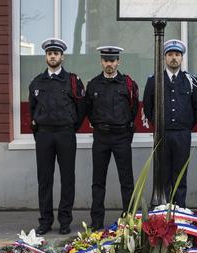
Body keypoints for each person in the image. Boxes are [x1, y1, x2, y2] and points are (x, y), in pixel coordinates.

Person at [28, 38, 86, 235]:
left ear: (62, 56)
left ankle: (64, 220)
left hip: (65, 134)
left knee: (67, 178)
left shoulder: (72, 81)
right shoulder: (37, 82)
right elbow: (32, 110)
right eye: (49, 53)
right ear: (46, 56)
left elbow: (81, 108)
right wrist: (40, 130)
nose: (53, 56)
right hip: (44, 135)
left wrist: (70, 126)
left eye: (56, 53)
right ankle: (45, 220)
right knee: (44, 179)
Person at [142, 39, 197, 208]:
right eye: (170, 54)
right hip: (162, 134)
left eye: (177, 54)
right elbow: (148, 107)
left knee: (180, 174)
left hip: (182, 134)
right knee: (162, 175)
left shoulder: (191, 81)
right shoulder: (154, 80)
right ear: (165, 58)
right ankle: (163, 211)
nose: (174, 58)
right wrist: (159, 125)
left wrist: (186, 124)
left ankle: (180, 210)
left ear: (182, 58)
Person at [85, 46, 139, 230]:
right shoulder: (93, 84)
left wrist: (124, 128)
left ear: (118, 61)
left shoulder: (128, 84)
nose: (109, 64)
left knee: (127, 180)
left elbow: (133, 111)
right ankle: (97, 221)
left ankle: (129, 218)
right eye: (106, 60)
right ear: (101, 61)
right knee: (98, 181)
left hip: (121, 136)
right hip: (100, 137)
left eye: (113, 60)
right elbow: (89, 111)